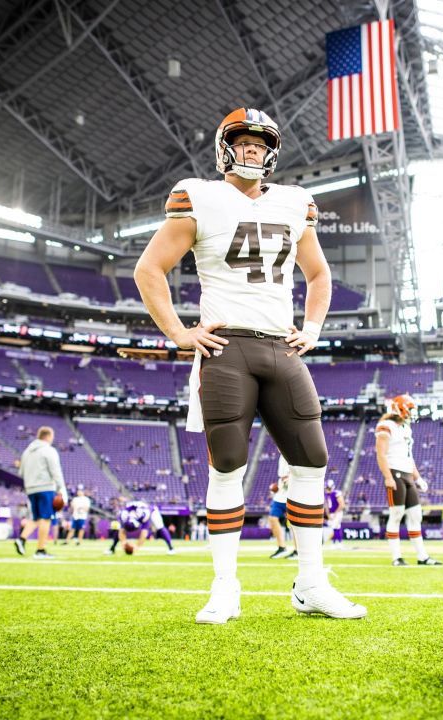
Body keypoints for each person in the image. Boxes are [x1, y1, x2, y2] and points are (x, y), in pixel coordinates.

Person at [131, 108, 364, 623]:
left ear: (272, 152)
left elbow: (319, 275)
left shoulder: (295, 202)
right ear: (225, 147)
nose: (253, 149)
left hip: (282, 347)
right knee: (228, 465)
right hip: (225, 348)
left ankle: (311, 583)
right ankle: (225, 587)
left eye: (261, 143)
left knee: (312, 461)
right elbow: (149, 268)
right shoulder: (198, 194)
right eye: (243, 140)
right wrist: (178, 332)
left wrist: (315, 328)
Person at [376, 394, 443, 567]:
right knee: (396, 515)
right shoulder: (386, 426)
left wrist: (418, 477)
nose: (413, 412)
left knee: (416, 515)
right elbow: (381, 454)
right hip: (394, 472)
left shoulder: (406, 428)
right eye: (411, 408)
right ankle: (396, 557)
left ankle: (422, 557)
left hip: (407, 473)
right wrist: (388, 477)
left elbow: (409, 456)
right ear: (401, 408)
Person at [13, 426, 68, 559]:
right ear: (48, 436)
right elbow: (55, 470)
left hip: (31, 489)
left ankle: (22, 539)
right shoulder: (48, 450)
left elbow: (20, 472)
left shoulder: (27, 452)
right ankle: (40, 550)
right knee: (46, 518)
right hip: (45, 488)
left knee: (36, 518)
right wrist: (62, 488)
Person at [267, 455, 295, 559]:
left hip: (292, 493)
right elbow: (282, 477)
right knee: (272, 518)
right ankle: (282, 547)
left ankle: (297, 551)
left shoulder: (293, 454)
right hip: (280, 494)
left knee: (294, 523)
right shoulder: (281, 457)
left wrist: (290, 480)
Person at [325, 477, 346, 546]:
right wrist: (328, 515)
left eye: (328, 488)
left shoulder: (337, 493)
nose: (327, 489)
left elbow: (342, 505)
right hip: (332, 513)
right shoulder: (326, 495)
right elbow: (327, 505)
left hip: (338, 512)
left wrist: (335, 514)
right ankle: (339, 543)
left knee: (334, 527)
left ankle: (335, 543)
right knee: (337, 527)